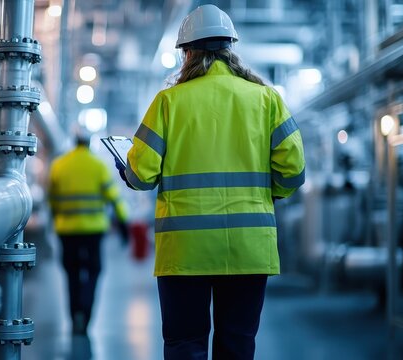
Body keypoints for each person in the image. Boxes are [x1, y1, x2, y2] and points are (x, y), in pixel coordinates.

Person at [115, 4, 305, 360]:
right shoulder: (267, 100)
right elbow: (294, 172)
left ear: (187, 53)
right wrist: (268, 193)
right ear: (230, 48)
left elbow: (141, 176)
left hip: (185, 250)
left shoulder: (168, 102)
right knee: (237, 343)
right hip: (249, 246)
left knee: (185, 343)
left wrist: (127, 171)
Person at [48, 131, 129, 334]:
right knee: (93, 271)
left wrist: (55, 219)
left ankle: (74, 314)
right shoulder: (98, 165)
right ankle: (86, 314)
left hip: (66, 230)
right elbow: (114, 198)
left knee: (72, 273)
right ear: (88, 144)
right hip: (94, 230)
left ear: (74, 143)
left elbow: (52, 200)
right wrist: (124, 223)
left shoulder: (59, 165)